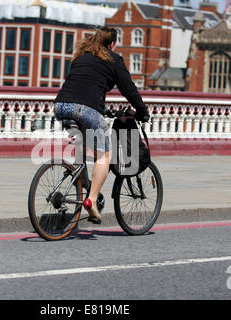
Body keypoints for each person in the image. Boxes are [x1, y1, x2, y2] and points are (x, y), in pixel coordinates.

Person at [53, 26, 150, 224]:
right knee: (105, 154)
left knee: (83, 147)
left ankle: (83, 185)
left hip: (61, 105)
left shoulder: (82, 57)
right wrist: (142, 112)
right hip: (85, 109)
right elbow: (129, 90)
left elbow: (83, 85)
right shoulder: (114, 60)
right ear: (112, 44)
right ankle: (92, 200)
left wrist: (101, 108)